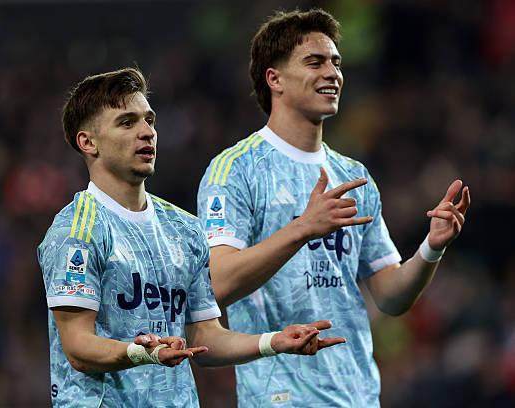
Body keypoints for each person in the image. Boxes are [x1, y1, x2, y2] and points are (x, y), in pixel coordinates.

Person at [197, 8, 471, 407]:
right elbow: (217, 284)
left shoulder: (353, 175)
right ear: (275, 79)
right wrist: (302, 228)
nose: (333, 74)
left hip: (357, 394)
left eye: (336, 63)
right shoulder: (235, 170)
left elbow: (391, 297)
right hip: (281, 397)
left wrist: (432, 248)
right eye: (315, 62)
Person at [37, 68, 346, 407]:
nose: (147, 132)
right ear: (88, 142)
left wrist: (273, 342)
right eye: (127, 123)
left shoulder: (184, 228)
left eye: (149, 120)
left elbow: (205, 336)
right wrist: (141, 353)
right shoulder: (75, 232)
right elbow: (78, 347)